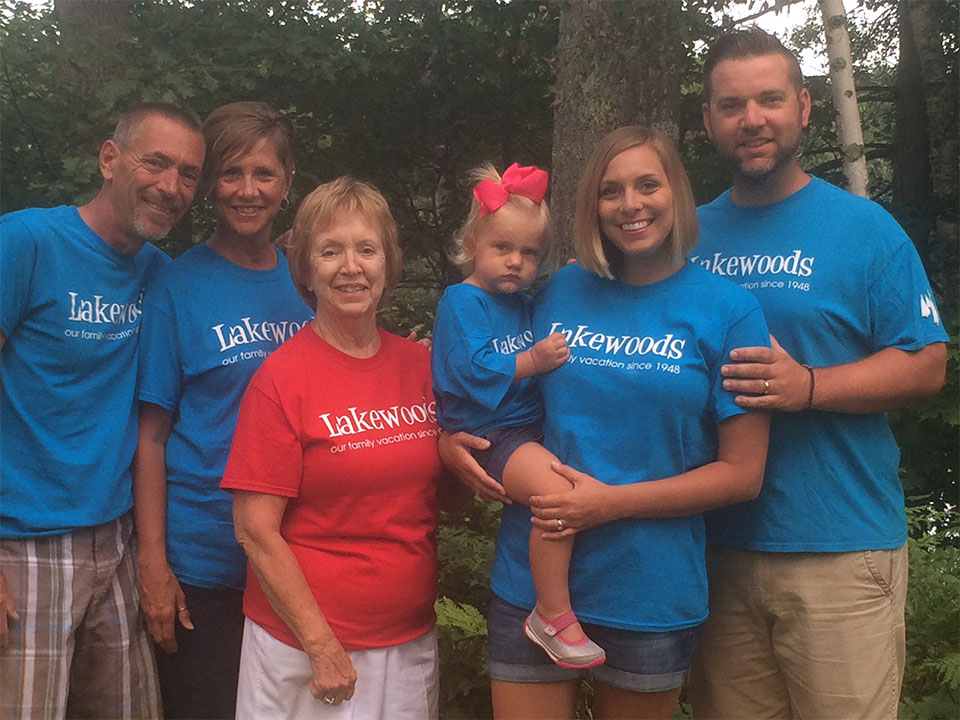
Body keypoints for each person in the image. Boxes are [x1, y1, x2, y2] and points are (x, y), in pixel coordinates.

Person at [440, 126, 771, 720]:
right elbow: (489, 375)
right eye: (611, 190)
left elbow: (741, 476)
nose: (631, 204)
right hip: (531, 587)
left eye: (648, 184)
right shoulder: (558, 288)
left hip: (650, 588)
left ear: (678, 193)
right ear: (592, 204)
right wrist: (448, 438)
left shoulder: (728, 309)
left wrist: (608, 504)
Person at [686, 28, 949, 720]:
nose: (753, 120)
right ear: (709, 120)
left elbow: (927, 364)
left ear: (804, 107)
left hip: (840, 548)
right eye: (733, 105)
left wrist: (810, 387)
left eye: (770, 100)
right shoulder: (686, 238)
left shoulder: (864, 229)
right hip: (716, 548)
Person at [0, 103, 205, 719]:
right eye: (156, 162)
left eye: (189, 174)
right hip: (21, 547)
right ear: (110, 158)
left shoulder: (158, 272)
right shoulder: (25, 241)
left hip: (115, 541)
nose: (171, 186)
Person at [221, 177, 447, 719]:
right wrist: (321, 645)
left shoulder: (422, 368)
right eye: (331, 251)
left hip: (408, 637)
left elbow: (440, 490)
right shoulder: (281, 379)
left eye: (367, 249)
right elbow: (255, 530)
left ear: (388, 264)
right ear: (306, 271)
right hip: (307, 649)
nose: (351, 266)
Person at [132, 101, 313, 719]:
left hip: (301, 557)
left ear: (287, 182)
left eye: (263, 174)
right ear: (210, 183)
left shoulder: (309, 281)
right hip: (204, 561)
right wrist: (154, 563)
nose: (247, 190)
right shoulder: (177, 286)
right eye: (231, 172)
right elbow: (150, 436)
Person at [432, 162, 608, 670]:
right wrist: (532, 361)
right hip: (492, 433)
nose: (516, 262)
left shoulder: (520, 301)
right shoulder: (463, 301)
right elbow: (469, 369)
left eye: (529, 253)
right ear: (470, 244)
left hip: (526, 427)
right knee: (560, 497)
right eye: (502, 248)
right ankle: (549, 614)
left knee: (572, 487)